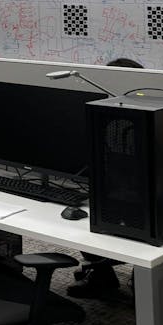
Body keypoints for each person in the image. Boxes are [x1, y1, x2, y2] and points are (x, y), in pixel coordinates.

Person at [67, 56, 144, 299]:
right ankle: (101, 276)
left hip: (143, 198)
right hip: (105, 193)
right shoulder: (97, 119)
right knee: (76, 221)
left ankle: (143, 282)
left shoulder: (154, 123)